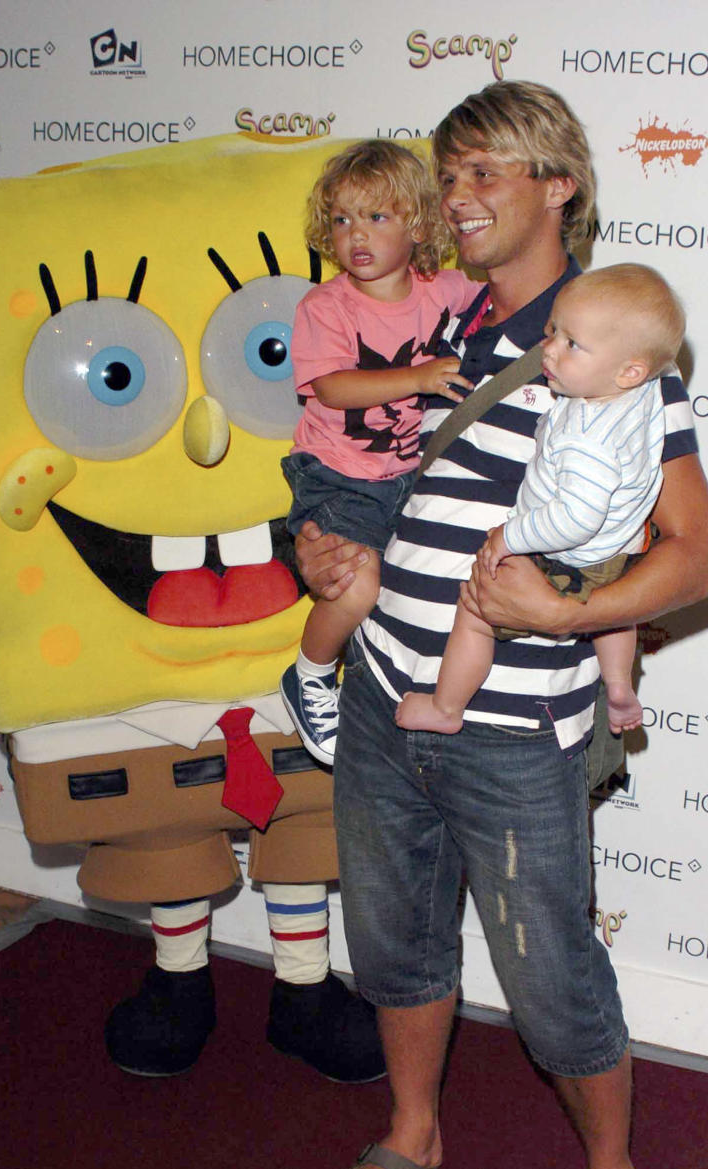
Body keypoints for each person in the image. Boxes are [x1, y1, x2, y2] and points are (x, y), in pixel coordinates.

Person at [297, 81, 708, 1169]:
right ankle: (415, 1131)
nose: (460, 198)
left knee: (549, 981)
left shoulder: (616, 350)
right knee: (393, 939)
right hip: (387, 693)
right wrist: (340, 564)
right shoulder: (456, 334)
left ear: (560, 186)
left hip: (516, 727)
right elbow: (407, 496)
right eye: (452, 176)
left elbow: (692, 560)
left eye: (489, 172)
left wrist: (570, 613)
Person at [395, 263, 685, 738]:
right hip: (614, 550)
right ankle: (617, 684)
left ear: (629, 370)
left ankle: (446, 706)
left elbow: (574, 518)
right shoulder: (642, 390)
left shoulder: (584, 435)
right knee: (612, 615)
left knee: (474, 612)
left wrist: (509, 537)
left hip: (566, 554)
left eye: (572, 344)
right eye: (553, 332)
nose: (548, 349)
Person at [279, 140, 479, 764]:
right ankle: (310, 674)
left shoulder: (441, 291)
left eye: (376, 216)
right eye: (342, 220)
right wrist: (418, 378)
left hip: (409, 478)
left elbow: (501, 289)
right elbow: (333, 387)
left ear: (418, 225)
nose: (355, 234)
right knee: (357, 587)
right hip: (338, 477)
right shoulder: (327, 305)